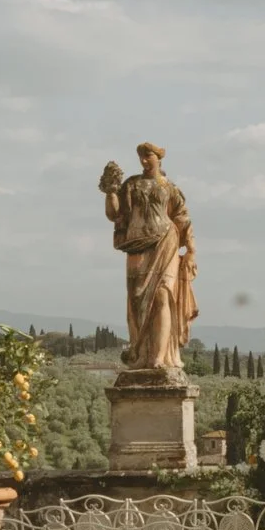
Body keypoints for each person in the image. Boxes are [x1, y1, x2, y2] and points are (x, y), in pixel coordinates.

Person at [101, 143, 198, 373]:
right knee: (138, 301)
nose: (144, 161)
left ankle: (158, 358)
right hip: (137, 246)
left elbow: (182, 218)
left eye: (148, 156)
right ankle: (142, 354)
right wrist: (111, 192)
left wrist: (191, 250)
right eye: (141, 157)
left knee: (163, 294)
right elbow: (115, 214)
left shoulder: (169, 187)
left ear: (158, 158)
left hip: (166, 243)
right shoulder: (132, 184)